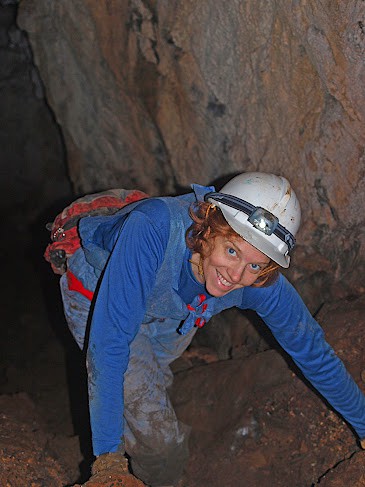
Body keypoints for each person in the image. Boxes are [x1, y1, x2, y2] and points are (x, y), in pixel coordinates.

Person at [59, 172, 365, 487]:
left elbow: (313, 350)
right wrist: (108, 462)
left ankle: (136, 414)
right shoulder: (152, 230)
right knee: (159, 441)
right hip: (98, 294)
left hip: (174, 312)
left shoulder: (256, 280)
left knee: (144, 392)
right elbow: (109, 345)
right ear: (208, 229)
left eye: (256, 265)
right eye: (232, 251)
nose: (235, 275)